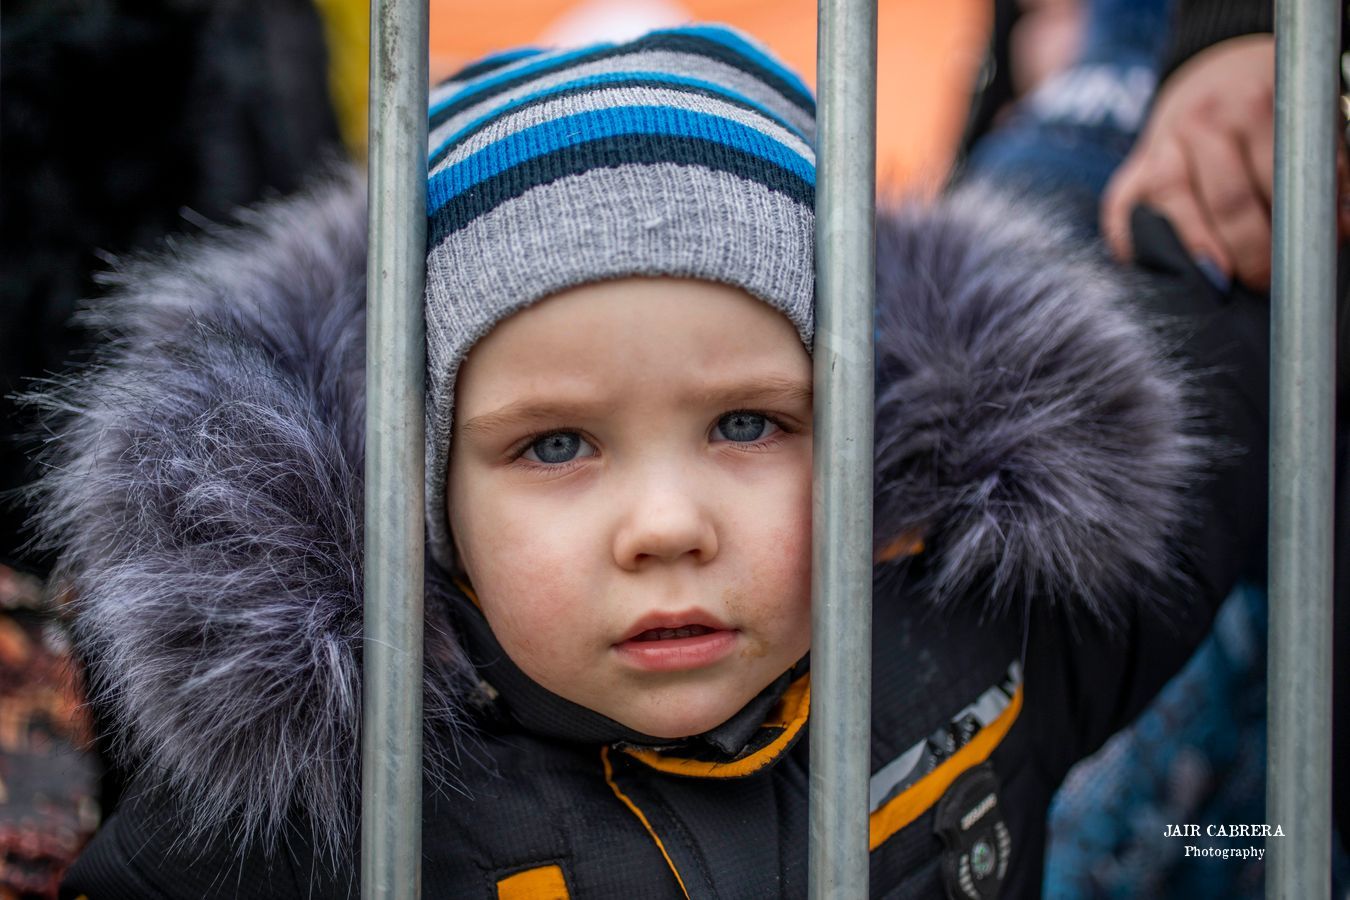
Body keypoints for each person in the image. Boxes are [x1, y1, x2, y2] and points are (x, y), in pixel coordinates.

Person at [38, 25, 1267, 898]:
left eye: (749, 424)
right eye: (556, 444)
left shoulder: (988, 635)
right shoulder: (321, 833)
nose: (667, 524)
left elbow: (1254, 360)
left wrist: (1255, 108)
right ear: (421, 501)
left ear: (872, 431)